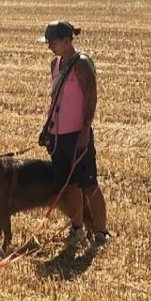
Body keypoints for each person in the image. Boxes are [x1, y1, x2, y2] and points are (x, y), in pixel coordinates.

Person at [36, 20, 111, 251]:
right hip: (57, 136)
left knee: (88, 185)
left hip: (77, 134)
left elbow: (91, 99)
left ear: (68, 41)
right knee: (68, 186)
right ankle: (77, 229)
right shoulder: (55, 64)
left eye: (53, 42)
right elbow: (54, 100)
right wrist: (47, 128)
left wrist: (85, 130)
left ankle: (101, 233)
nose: (50, 47)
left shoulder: (82, 64)